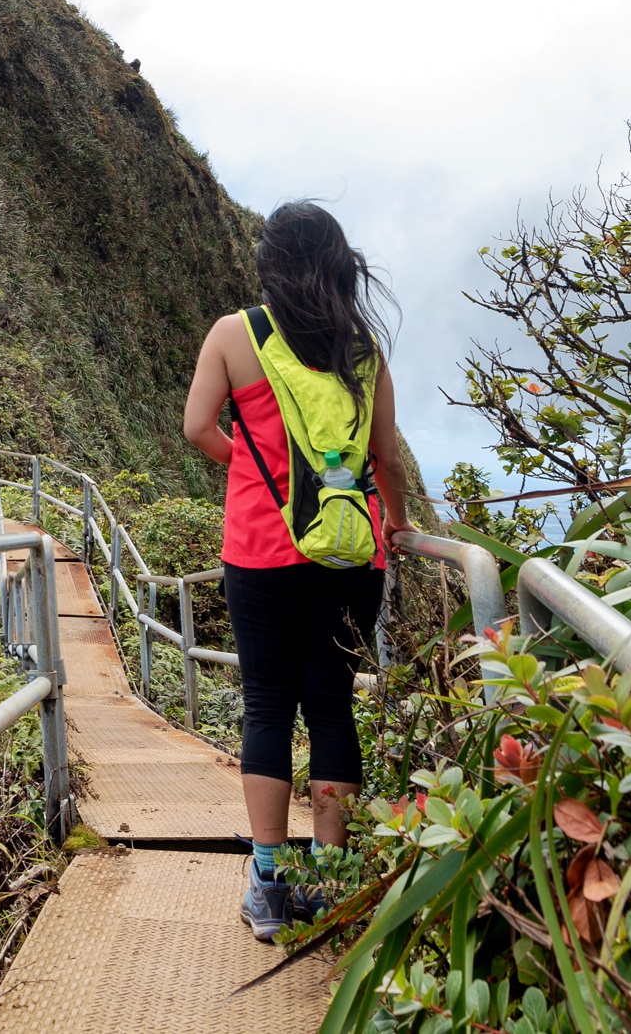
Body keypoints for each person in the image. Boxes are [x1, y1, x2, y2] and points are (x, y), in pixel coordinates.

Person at [183, 200, 413, 943]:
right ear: (340, 261)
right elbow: (385, 458)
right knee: (331, 707)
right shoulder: (361, 346)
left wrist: (251, 468)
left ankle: (268, 883)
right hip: (350, 554)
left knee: (267, 708)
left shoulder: (234, 334)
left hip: (260, 549)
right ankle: (330, 880)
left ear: (268, 261)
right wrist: (398, 524)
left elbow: (196, 429)